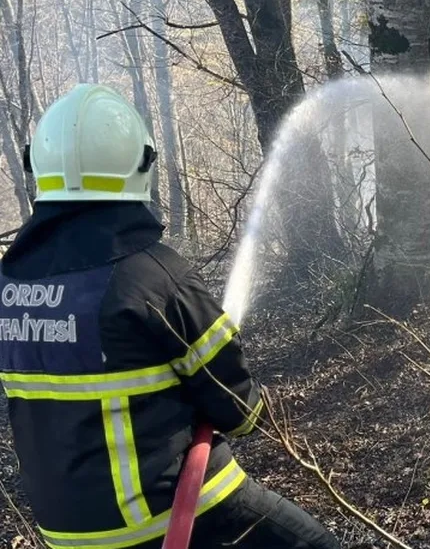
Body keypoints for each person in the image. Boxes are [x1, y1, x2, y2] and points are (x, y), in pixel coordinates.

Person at [0, 84, 340, 549]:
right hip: (169, 514)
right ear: (139, 166)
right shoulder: (152, 275)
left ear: (38, 167)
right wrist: (259, 404)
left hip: (65, 531)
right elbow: (239, 411)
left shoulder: (11, 287)